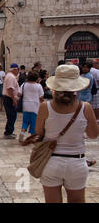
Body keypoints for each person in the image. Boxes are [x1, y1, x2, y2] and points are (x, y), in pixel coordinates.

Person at [35, 64, 99, 203]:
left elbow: (39, 132)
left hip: (51, 162)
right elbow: (94, 134)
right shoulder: (85, 108)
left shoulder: (45, 107)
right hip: (76, 162)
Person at [17, 71, 44, 143]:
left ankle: (22, 133)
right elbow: (41, 97)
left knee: (25, 121)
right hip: (35, 105)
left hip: (26, 104)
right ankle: (33, 137)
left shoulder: (24, 84)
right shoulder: (38, 86)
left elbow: (19, 94)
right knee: (34, 122)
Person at [3, 63, 20, 139]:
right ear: (15, 69)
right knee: (12, 116)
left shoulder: (10, 76)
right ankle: (8, 132)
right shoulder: (11, 77)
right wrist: (14, 99)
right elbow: (10, 89)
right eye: (18, 69)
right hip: (9, 98)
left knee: (11, 116)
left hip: (8, 98)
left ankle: (9, 131)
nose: (18, 71)